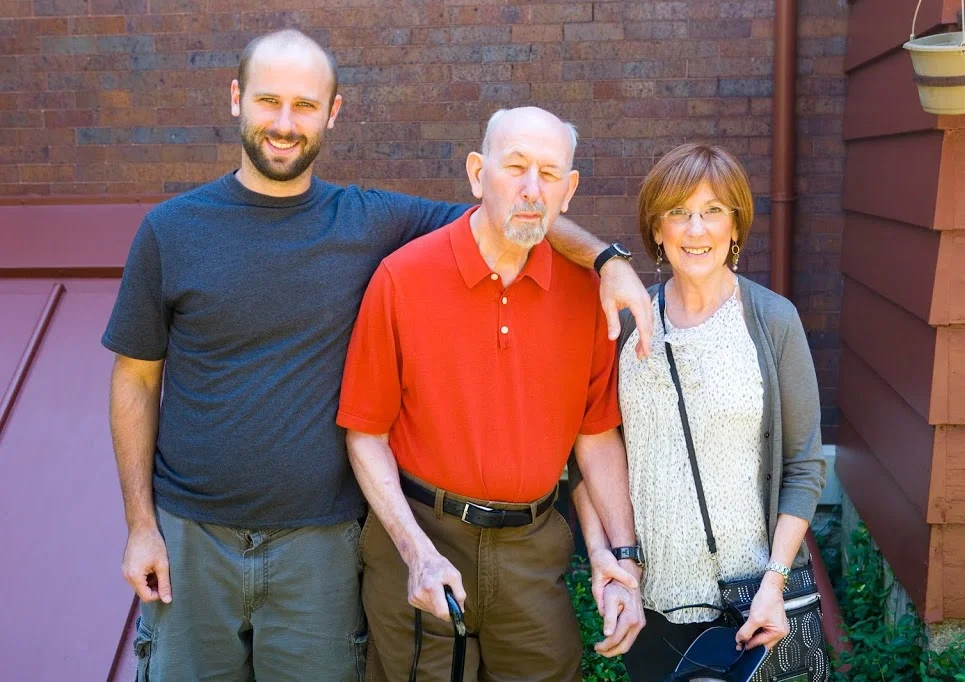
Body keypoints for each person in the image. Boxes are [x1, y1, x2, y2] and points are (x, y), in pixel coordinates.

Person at [102, 30, 652, 682]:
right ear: (236, 99)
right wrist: (141, 525)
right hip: (193, 538)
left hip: (321, 545)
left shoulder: (369, 222)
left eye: (305, 105)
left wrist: (606, 259)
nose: (285, 123)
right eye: (269, 101)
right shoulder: (171, 230)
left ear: (332, 112)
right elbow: (135, 381)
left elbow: (512, 211)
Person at [337, 106, 645, 682]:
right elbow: (365, 435)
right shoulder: (402, 278)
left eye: (549, 174)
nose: (532, 189)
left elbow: (597, 437)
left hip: (532, 550)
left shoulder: (587, 295)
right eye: (515, 167)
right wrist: (416, 553)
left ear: (569, 190)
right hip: (421, 535)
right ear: (478, 174)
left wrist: (624, 560)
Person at [571, 143, 827, 681]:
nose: (696, 229)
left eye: (713, 211)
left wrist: (775, 583)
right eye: (678, 212)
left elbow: (804, 466)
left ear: (735, 227)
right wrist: (608, 562)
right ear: (656, 229)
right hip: (651, 606)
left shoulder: (772, 321)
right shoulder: (623, 323)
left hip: (751, 608)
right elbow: (588, 450)